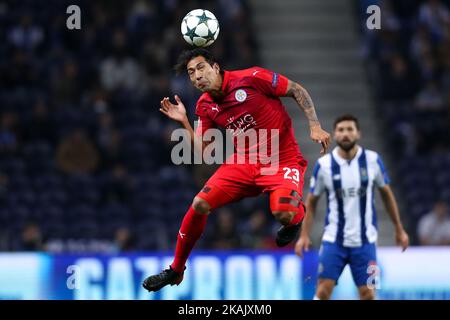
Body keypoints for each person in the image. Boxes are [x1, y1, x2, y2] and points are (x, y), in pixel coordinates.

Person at [142, 48, 331, 292]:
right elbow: (204, 151)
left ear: (216, 67)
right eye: (191, 73)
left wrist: (315, 126)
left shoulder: (252, 77)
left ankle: (296, 217)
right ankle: (176, 269)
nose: (197, 76)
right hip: (243, 163)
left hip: (281, 159)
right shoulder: (204, 105)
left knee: (283, 213)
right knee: (200, 203)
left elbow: (296, 89)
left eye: (201, 68)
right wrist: (185, 122)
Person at [295, 114, 409, 300]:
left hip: (366, 243)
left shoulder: (373, 160)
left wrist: (399, 229)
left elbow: (386, 194)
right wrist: (304, 235)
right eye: (341, 130)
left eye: (350, 129)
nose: (345, 134)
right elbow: (312, 202)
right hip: (333, 242)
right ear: (334, 134)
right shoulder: (324, 165)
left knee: (368, 293)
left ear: (358, 134)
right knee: (323, 291)